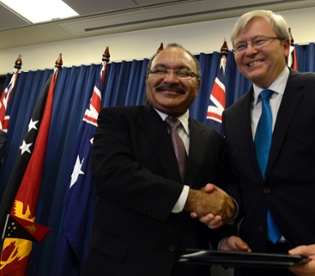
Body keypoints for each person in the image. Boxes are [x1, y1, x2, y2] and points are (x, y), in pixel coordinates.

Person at [204, 10, 315, 276]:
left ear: (286, 44)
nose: (249, 51)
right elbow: (243, 185)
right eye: (240, 46)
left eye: (259, 41)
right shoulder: (231, 116)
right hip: (258, 262)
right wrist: (226, 225)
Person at [81, 43, 236, 276]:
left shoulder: (214, 140)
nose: (170, 79)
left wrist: (223, 237)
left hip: (188, 270)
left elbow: (215, 198)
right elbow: (112, 174)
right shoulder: (118, 120)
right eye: (160, 70)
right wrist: (191, 199)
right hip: (120, 268)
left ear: (198, 85)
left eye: (183, 72)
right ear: (147, 80)